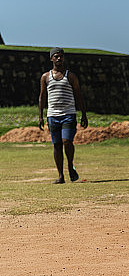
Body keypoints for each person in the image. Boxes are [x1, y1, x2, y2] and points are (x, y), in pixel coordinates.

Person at [38, 47, 88, 184]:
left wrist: (84, 114)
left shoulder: (70, 76)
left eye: (61, 56)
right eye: (56, 56)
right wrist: (40, 116)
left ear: (64, 58)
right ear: (51, 59)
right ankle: (61, 176)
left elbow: (79, 95)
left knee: (67, 141)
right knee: (57, 145)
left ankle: (70, 166)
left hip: (69, 114)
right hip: (52, 115)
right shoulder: (45, 77)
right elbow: (42, 97)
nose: (59, 58)